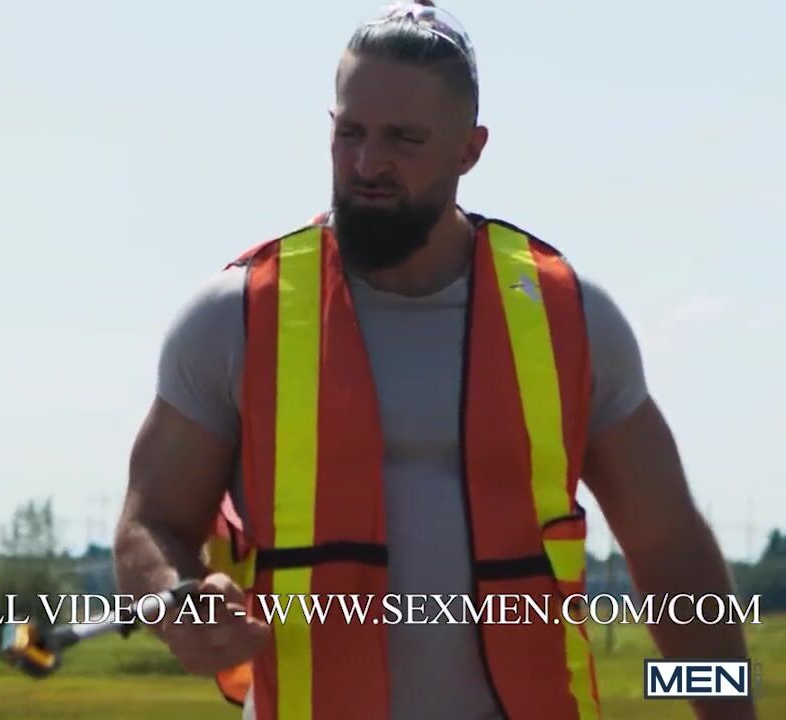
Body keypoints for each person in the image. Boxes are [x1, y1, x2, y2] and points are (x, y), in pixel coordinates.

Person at [112, 2, 756, 719]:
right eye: (350, 133)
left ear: (470, 150)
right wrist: (177, 600)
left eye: (404, 139)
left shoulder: (570, 317)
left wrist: (727, 711)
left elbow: (670, 555)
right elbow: (149, 521)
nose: (367, 164)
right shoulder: (233, 316)